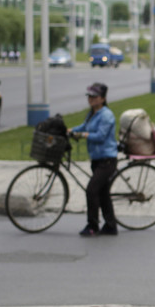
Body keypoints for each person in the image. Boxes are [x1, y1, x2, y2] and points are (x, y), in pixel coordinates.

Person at [68, 82, 119, 236]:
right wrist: (70, 130)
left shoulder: (106, 115)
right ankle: (110, 226)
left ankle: (92, 226)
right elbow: (84, 126)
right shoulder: (92, 113)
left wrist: (82, 135)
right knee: (102, 193)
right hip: (96, 160)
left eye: (94, 96)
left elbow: (100, 136)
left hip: (107, 160)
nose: (90, 99)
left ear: (102, 99)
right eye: (89, 96)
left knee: (92, 191)